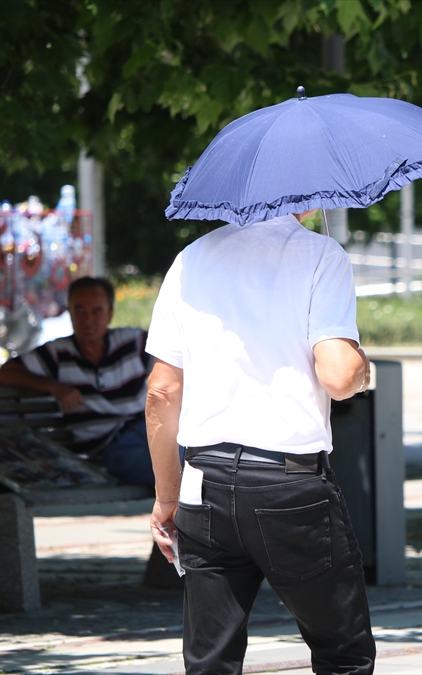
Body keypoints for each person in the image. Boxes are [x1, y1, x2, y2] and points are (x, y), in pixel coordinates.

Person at [145, 209, 375, 674]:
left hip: (201, 485)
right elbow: (338, 375)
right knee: (342, 654)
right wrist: (362, 370)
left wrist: (166, 494)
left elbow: (161, 391)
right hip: (287, 485)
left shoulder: (190, 259)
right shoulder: (320, 255)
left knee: (211, 661)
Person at [0, 276, 155, 485]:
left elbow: (173, 366)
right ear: (70, 314)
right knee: (172, 474)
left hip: (148, 431)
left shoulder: (133, 342)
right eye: (79, 311)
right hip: (109, 448)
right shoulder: (58, 353)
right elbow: (5, 373)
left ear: (110, 314)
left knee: (192, 463)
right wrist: (54, 387)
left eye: (97, 311)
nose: (88, 319)